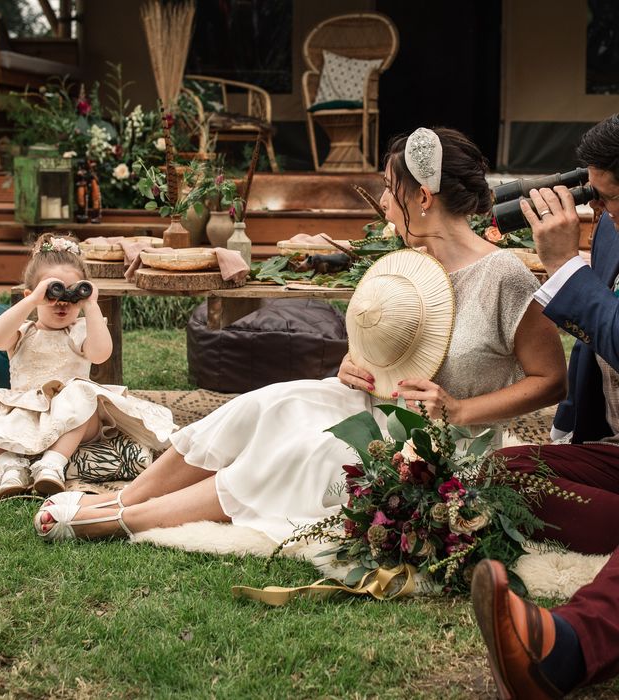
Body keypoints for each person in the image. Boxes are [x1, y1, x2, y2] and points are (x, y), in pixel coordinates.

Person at [32, 126, 567, 544]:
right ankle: (122, 498)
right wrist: (355, 364)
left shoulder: (506, 276)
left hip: (437, 447)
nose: (383, 202)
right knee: (266, 404)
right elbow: (387, 350)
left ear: (421, 196)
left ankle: (129, 520)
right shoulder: (409, 265)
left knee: (302, 454)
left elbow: (551, 380)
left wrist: (460, 411)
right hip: (372, 405)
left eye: (389, 188)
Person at [472, 115, 619, 697]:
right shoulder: (610, 229)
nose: (602, 213)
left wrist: (563, 266)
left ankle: (564, 649)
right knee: (503, 474)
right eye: (598, 198)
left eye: (609, 199)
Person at [0, 233, 176, 500]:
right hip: (26, 418)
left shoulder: (79, 331)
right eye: (53, 292)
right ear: (31, 294)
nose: (62, 302)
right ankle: (10, 467)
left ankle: (53, 464)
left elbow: (101, 354)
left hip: (74, 422)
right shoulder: (22, 332)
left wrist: (91, 305)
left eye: (72, 293)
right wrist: (33, 300)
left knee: (81, 392)